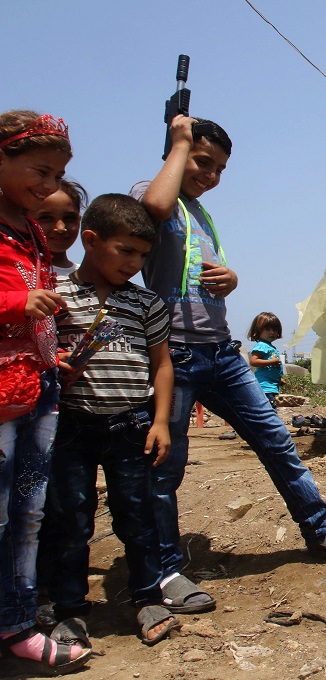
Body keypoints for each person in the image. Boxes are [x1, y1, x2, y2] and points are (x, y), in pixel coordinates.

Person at [130, 114, 326, 615]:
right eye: (202, 161)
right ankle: (165, 570)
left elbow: (201, 274)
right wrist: (178, 144)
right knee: (165, 467)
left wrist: (234, 279)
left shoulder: (201, 214)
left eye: (220, 168)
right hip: (170, 354)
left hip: (221, 352)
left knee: (277, 441)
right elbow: (154, 205)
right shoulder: (154, 195)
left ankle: (321, 530)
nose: (211, 174)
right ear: (176, 151)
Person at [40, 194, 180, 646]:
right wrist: (57, 363)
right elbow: (39, 355)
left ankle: (146, 597)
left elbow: (161, 365)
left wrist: (160, 421)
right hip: (71, 427)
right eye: (126, 251)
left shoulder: (146, 304)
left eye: (142, 254)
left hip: (130, 425)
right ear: (91, 240)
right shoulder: (57, 296)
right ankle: (69, 608)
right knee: (70, 520)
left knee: (138, 516)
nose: (135, 263)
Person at [0, 110, 90, 674]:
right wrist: (13, 305)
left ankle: (15, 624)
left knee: (26, 514)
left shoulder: (32, 231)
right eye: (40, 170)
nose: (49, 186)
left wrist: (50, 350)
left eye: (57, 175)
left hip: (37, 392)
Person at [29, 179, 87, 277]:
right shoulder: (15, 274)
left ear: (79, 219)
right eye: (46, 218)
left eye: (69, 218)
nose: (60, 228)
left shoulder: (88, 277)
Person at [247, 312, 284, 408]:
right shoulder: (261, 345)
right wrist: (272, 361)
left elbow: (269, 369)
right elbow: (253, 361)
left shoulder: (269, 346)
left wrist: (279, 379)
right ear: (258, 331)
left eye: (274, 330)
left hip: (270, 386)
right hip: (264, 387)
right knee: (269, 409)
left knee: (269, 408)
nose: (272, 332)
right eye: (267, 329)